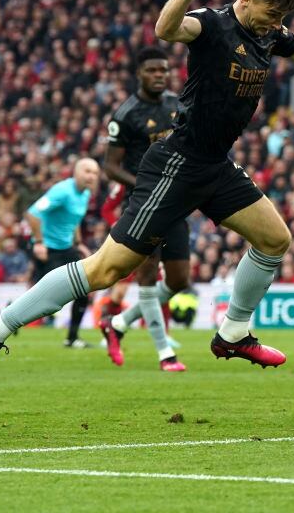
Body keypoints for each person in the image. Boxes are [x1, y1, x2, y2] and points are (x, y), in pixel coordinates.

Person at [0, 0, 294, 388]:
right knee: (105, 269)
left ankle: (233, 332)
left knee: (275, 238)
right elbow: (168, 29)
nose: (276, 23)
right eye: (271, 13)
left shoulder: (268, 34)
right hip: (176, 163)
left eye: (282, 17)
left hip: (214, 164)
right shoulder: (214, 25)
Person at [98, 46, 190, 372]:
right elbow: (110, 166)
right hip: (143, 203)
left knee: (179, 280)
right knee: (148, 276)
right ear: (139, 73)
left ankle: (118, 323)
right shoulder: (126, 114)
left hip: (175, 200)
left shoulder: (177, 105)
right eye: (152, 70)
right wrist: (142, 183)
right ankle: (166, 354)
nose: (159, 76)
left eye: (163, 70)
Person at [24, 158, 100, 348]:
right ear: (76, 173)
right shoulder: (62, 191)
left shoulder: (85, 194)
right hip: (48, 249)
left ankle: (72, 338)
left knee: (84, 291)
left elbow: (73, 220)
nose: (91, 176)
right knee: (45, 301)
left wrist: (79, 243)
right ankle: (6, 315)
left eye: (95, 173)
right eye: (87, 171)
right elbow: (32, 213)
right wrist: (39, 243)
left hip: (67, 248)